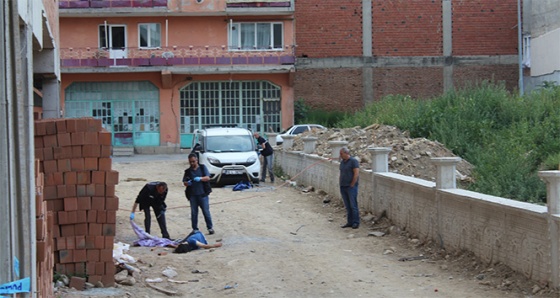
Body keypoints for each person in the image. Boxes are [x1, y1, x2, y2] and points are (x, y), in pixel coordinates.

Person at [183, 153, 215, 235]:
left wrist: (200, 178)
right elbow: (184, 182)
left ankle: (210, 227)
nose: (192, 163)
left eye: (193, 161)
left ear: (197, 160)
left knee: (206, 212)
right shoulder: (188, 171)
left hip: (203, 194)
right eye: (191, 162)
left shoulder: (202, 168)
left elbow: (208, 177)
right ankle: (195, 229)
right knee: (194, 213)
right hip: (193, 195)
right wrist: (187, 183)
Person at [339, 147, 360, 229]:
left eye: (341, 154)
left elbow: (356, 173)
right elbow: (341, 173)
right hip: (343, 186)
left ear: (346, 153)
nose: (340, 155)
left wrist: (352, 184)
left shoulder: (353, 161)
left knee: (353, 205)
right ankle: (349, 221)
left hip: (351, 187)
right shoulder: (342, 162)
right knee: (347, 206)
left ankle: (355, 222)